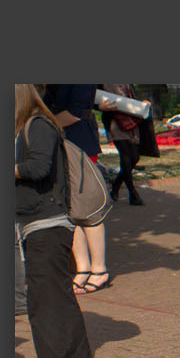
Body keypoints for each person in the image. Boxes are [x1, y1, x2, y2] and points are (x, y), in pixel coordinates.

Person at [14, 85, 98, 358]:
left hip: (47, 223)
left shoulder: (38, 124)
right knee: (43, 300)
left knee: (52, 300)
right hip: (33, 223)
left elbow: (38, 168)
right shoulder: (24, 127)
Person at [41, 84, 113, 294]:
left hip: (80, 145)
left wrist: (43, 126)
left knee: (87, 209)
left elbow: (76, 112)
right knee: (69, 209)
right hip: (58, 144)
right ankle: (82, 268)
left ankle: (99, 269)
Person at [99, 84, 149, 208]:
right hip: (114, 121)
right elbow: (92, 99)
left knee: (135, 157)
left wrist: (141, 103)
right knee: (126, 155)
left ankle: (116, 185)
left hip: (130, 119)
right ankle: (133, 193)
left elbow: (130, 95)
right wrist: (100, 107)